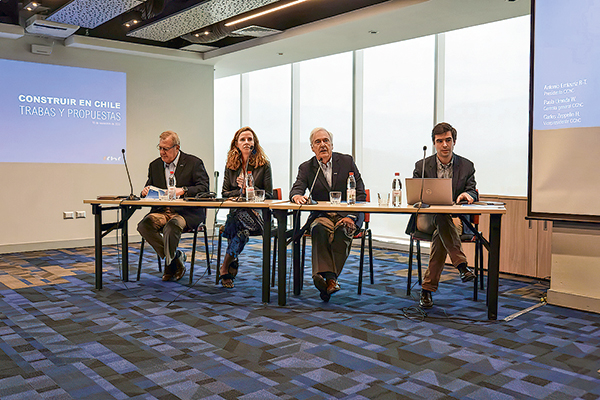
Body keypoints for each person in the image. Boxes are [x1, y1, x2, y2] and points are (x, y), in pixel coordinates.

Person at [290, 127, 366, 302]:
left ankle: (324, 277)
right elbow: (297, 188)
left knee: (344, 230)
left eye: (325, 141)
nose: (322, 144)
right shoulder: (307, 167)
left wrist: (352, 216)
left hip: (347, 214)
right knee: (318, 229)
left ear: (332, 144)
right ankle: (331, 280)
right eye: (318, 142)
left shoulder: (346, 162)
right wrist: (297, 196)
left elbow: (361, 194)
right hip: (323, 215)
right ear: (312, 148)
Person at [409, 122, 478, 308]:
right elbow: (414, 195)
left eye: (448, 140)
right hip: (426, 220)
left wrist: (467, 195)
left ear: (454, 141)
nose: (444, 145)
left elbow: (473, 191)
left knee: (442, 227)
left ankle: (427, 290)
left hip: (454, 220)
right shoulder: (422, 165)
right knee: (440, 218)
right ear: (434, 143)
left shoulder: (466, 166)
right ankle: (462, 266)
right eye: (440, 141)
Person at [137, 130, 209, 282]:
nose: (162, 152)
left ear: (177, 148)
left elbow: (204, 188)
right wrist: (145, 191)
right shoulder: (155, 165)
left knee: (172, 226)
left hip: (185, 213)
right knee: (144, 225)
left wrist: (183, 190)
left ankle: (169, 265)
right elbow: (149, 187)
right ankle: (175, 258)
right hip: (162, 211)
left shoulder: (194, 163)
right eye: (160, 148)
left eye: (166, 149)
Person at [219, 127, 273, 288]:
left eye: (250, 139)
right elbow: (224, 193)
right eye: (243, 139)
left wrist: (251, 188)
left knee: (234, 219)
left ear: (254, 143)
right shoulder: (231, 165)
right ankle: (232, 258)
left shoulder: (264, 165)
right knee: (240, 229)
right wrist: (240, 190)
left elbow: (269, 194)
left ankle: (224, 267)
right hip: (238, 214)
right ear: (236, 144)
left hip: (257, 216)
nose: (247, 142)